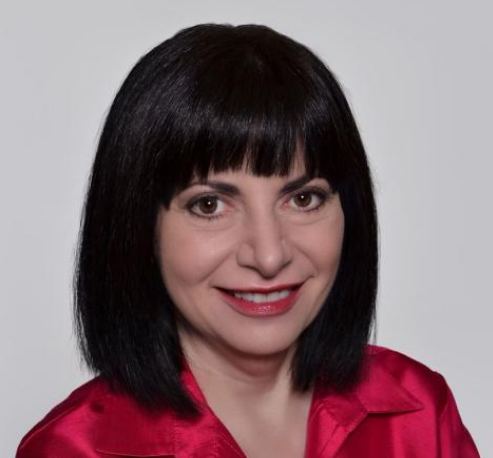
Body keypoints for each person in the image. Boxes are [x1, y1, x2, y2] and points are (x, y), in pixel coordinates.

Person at [16, 23, 480, 458]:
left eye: (303, 198)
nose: (269, 255)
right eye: (209, 205)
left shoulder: (419, 414)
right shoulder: (74, 448)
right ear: (138, 228)